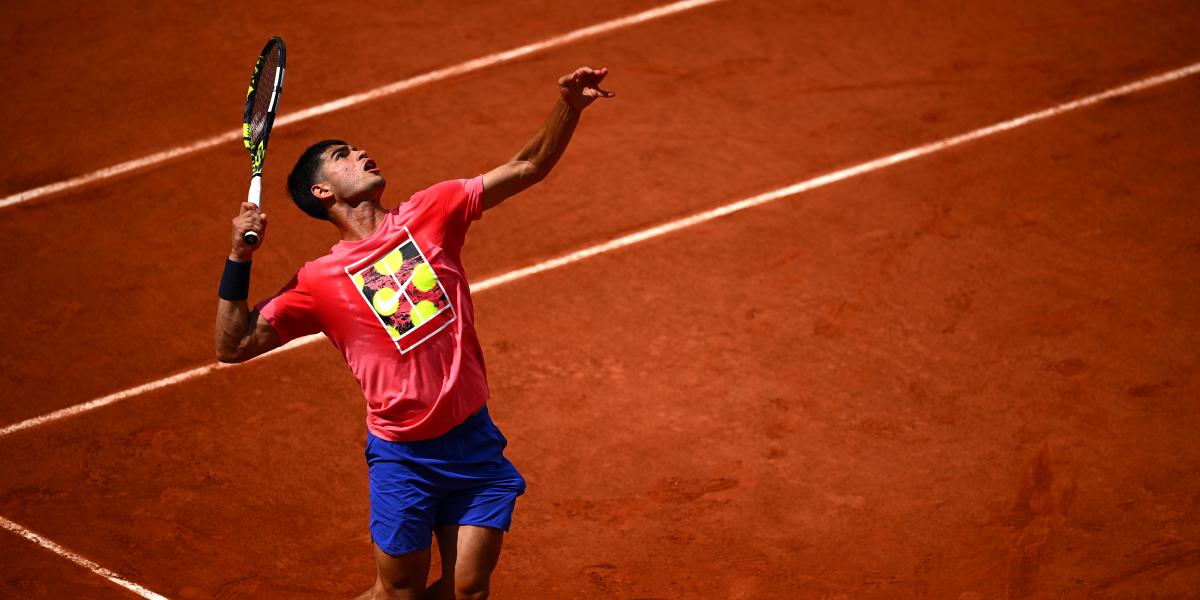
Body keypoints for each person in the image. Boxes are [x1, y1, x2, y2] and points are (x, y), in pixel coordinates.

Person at [214, 67, 614, 600]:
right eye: (343, 155)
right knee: (397, 593)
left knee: (468, 592)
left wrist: (569, 107)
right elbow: (233, 345)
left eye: (357, 148)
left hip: (472, 441)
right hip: (403, 457)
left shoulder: (432, 210)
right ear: (322, 191)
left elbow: (528, 165)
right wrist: (239, 258)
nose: (361, 154)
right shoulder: (318, 280)